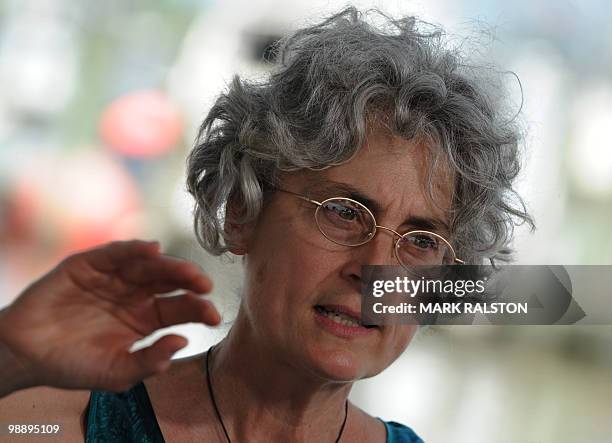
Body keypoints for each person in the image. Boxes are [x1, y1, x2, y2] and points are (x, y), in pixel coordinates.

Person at [0, 7, 533, 442]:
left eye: (421, 240)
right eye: (344, 213)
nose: (375, 268)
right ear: (242, 211)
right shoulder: (53, 424)